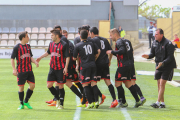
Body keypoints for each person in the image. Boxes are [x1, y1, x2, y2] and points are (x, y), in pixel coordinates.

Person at [106, 28, 142, 108]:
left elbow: (122, 51)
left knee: (117, 84)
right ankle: (138, 100)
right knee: (128, 84)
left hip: (123, 66)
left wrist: (111, 52)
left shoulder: (119, 41)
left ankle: (123, 102)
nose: (110, 37)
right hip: (129, 65)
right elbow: (125, 53)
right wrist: (113, 52)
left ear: (115, 34)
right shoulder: (125, 41)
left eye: (111, 35)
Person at [142, 28, 176, 108]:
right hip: (158, 65)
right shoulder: (154, 42)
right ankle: (162, 103)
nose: (155, 35)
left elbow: (170, 57)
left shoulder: (168, 43)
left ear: (161, 35)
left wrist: (163, 63)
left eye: (156, 34)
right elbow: (152, 54)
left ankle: (157, 103)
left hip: (167, 65)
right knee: (159, 84)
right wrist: (147, 56)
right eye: (155, 34)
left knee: (162, 83)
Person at [36, 30, 70, 109]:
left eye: (52, 35)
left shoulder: (64, 44)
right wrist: (40, 57)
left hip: (60, 68)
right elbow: (48, 52)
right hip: (52, 68)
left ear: (57, 36)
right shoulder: (51, 44)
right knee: (49, 85)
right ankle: (57, 98)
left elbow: (67, 57)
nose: (51, 37)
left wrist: (66, 67)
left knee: (61, 86)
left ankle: (61, 103)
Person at [89, 27, 118, 108]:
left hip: (97, 64)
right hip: (105, 63)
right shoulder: (105, 40)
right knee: (108, 82)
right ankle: (114, 99)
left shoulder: (93, 40)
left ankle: (98, 99)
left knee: (92, 83)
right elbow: (111, 51)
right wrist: (109, 60)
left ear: (92, 33)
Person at [73, 30, 101, 109]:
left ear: (80, 36)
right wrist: (94, 59)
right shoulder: (92, 43)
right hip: (93, 65)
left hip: (84, 66)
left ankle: (90, 103)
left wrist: (79, 57)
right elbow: (97, 52)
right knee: (93, 84)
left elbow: (74, 58)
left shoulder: (78, 45)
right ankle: (96, 101)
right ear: (87, 36)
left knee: (85, 84)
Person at [11, 31, 39, 110]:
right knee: (21, 88)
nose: (28, 38)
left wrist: (35, 62)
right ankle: (21, 104)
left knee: (32, 86)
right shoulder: (17, 47)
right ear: (23, 38)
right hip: (21, 70)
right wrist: (14, 69)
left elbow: (30, 57)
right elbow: (12, 58)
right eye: (27, 36)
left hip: (29, 70)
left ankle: (26, 101)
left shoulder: (28, 46)